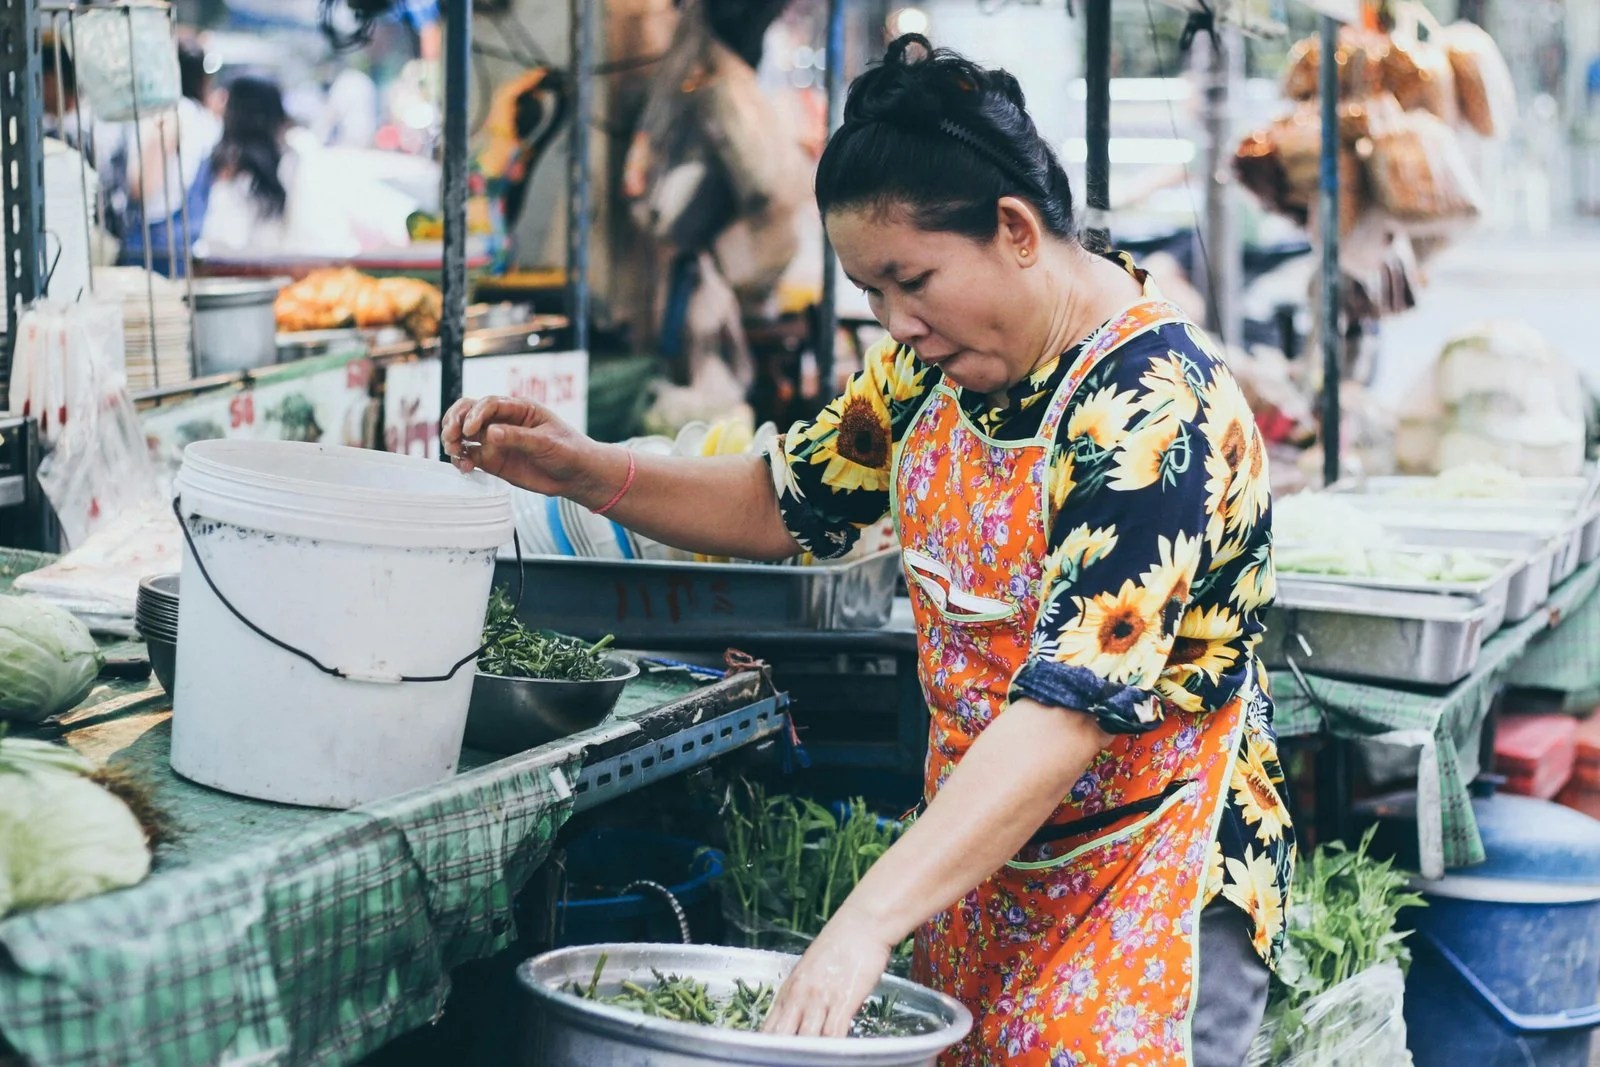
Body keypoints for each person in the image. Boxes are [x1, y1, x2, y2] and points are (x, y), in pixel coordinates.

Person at [444, 35, 1292, 1067]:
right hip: (982, 867)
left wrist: (861, 921)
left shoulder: (1150, 408)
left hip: (1144, 875)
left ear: (1015, 230)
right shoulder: (928, 373)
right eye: (871, 295)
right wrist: (584, 471)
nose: (898, 324)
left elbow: (1068, 707)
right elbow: (787, 501)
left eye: (912, 281)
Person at [112, 36, 222, 276]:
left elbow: (141, 186)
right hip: (186, 243)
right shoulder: (205, 119)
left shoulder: (170, 115)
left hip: (153, 245)